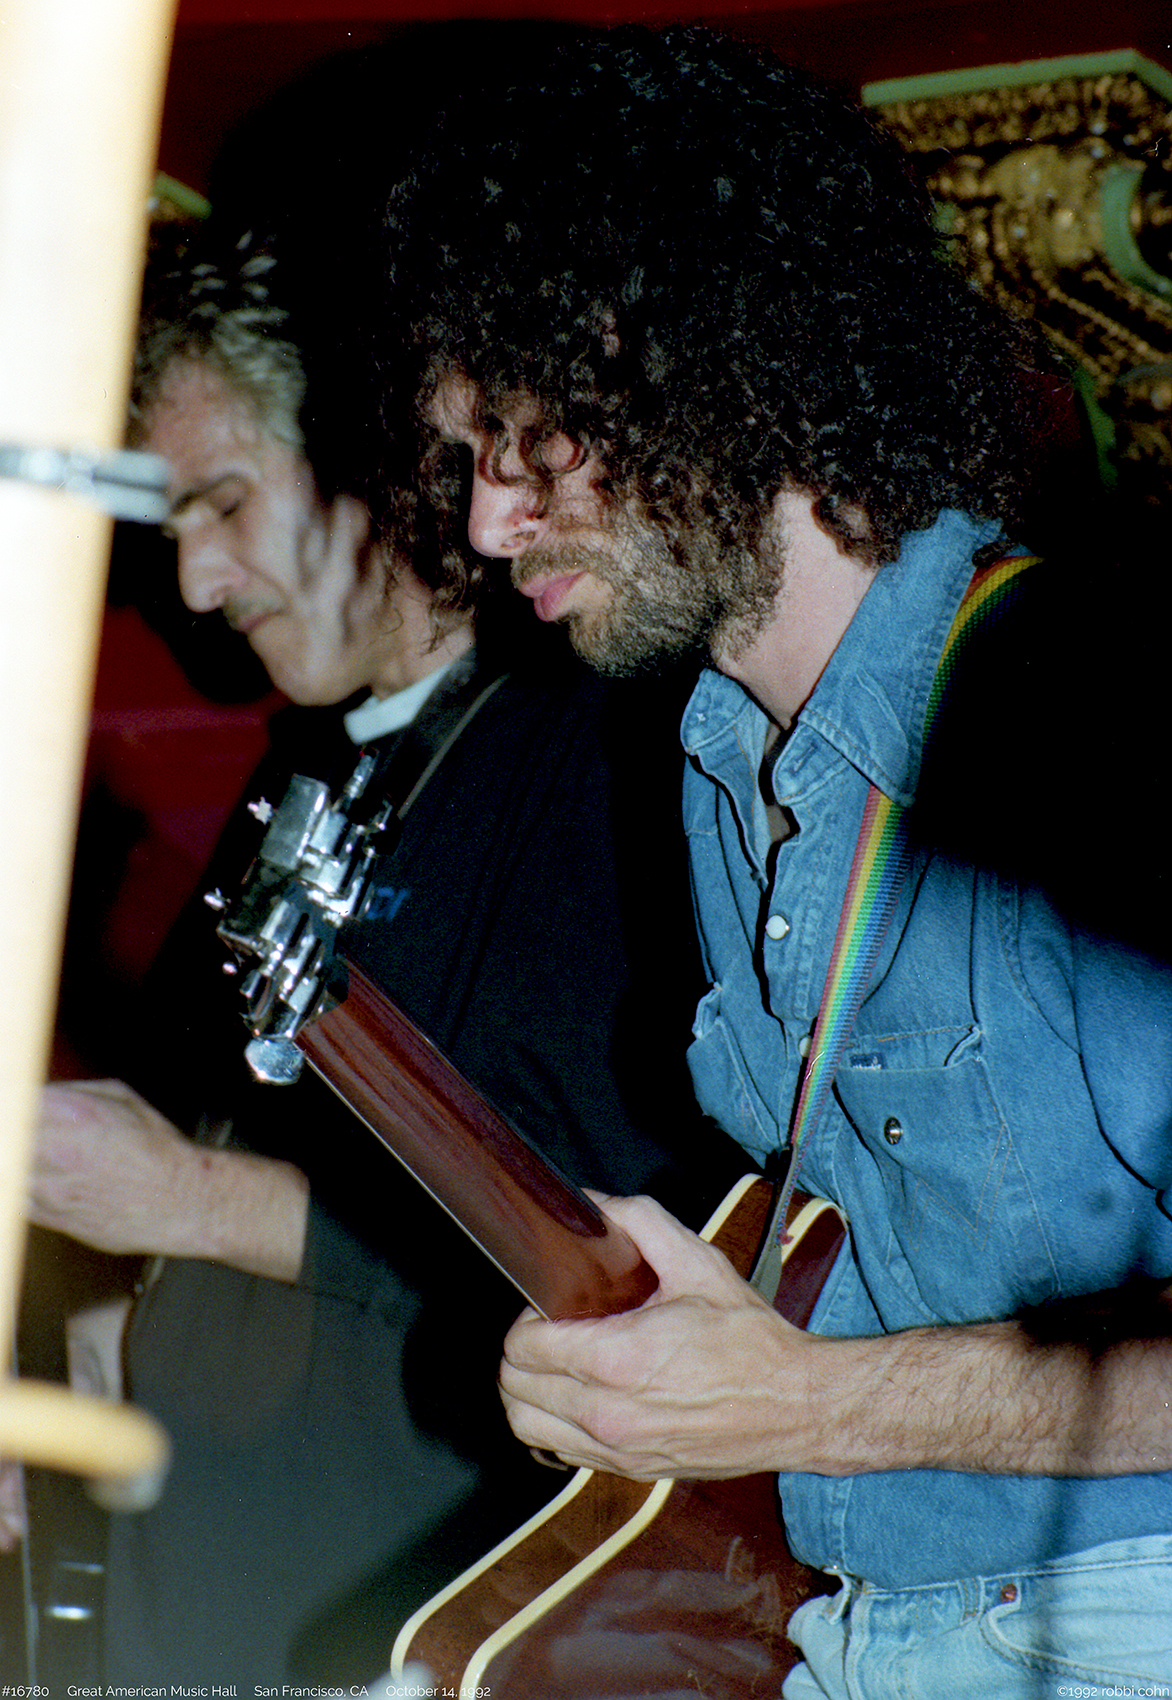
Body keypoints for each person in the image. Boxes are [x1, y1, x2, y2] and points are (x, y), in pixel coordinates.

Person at [364, 25, 1172, 1698]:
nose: (489, 524)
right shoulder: (720, 767)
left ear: (711, 363)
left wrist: (802, 1402)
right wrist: (639, 1371)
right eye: (466, 458)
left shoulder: (1089, 713)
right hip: (858, 1625)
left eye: (524, 436)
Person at [29, 229, 743, 1685]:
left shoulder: (598, 758)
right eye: (173, 528)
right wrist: (104, 1319)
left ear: (374, 463)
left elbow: (613, 1252)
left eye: (225, 505)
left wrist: (190, 1201)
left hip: (438, 1615)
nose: (196, 580)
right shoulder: (305, 771)